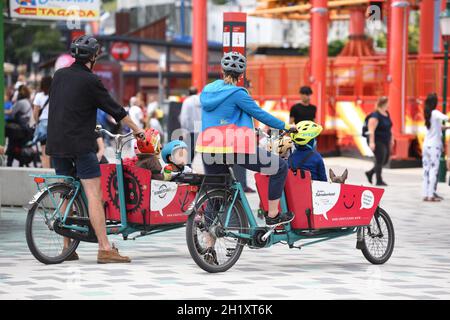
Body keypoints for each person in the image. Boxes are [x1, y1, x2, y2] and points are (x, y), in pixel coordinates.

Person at [46, 35, 145, 263]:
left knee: (65, 192)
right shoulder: (91, 81)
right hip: (80, 144)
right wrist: (138, 130)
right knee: (93, 194)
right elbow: (116, 110)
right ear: (93, 56)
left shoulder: (59, 76)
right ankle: (104, 248)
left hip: (56, 143)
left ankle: (67, 247)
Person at [422, 93, 449, 202]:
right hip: (434, 146)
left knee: (426, 170)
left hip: (426, 145)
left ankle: (425, 193)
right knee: (434, 170)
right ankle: (431, 195)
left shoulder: (427, 113)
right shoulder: (435, 112)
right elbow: (446, 118)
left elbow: (436, 127)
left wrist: (446, 127)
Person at [364, 97, 394, 186]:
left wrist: (391, 139)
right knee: (380, 159)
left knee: (385, 160)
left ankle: (370, 173)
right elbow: (371, 130)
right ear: (384, 103)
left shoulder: (386, 113)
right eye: (388, 102)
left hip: (386, 140)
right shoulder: (375, 116)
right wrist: (372, 142)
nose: (389, 104)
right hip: (377, 141)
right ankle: (379, 180)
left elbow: (389, 128)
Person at [4, 84, 33, 167]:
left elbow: (11, 113)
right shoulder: (28, 101)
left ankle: (9, 164)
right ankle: (21, 164)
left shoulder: (20, 102)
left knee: (11, 147)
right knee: (20, 147)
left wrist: (3, 111)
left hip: (17, 131)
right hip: (25, 130)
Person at [31, 76, 52, 168]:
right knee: (54, 151)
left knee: (44, 151)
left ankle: (46, 171)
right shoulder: (55, 95)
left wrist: (37, 122)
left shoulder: (39, 96)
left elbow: (35, 112)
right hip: (54, 125)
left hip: (43, 124)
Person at [179, 86, 202, 163]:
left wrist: (184, 129)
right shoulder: (201, 100)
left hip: (190, 128)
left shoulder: (187, 101)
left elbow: (184, 117)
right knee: (196, 148)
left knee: (189, 149)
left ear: (188, 93)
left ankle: (188, 165)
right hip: (199, 127)